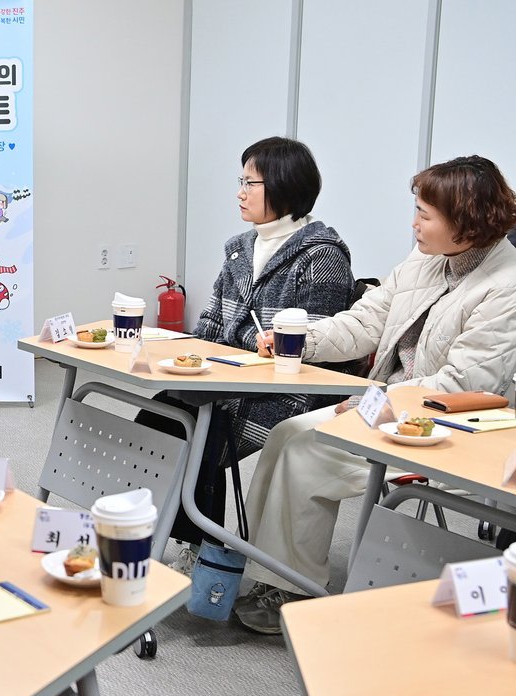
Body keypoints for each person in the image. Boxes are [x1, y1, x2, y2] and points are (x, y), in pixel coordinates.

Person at [234, 155, 516, 634]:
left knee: (305, 452)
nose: (414, 224)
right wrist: (301, 341)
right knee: (285, 435)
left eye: (425, 215)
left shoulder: (505, 285)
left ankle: (293, 588)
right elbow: (366, 321)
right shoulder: (426, 258)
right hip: (388, 410)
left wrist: (377, 402)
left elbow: (464, 384)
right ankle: (274, 571)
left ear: (466, 222)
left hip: (445, 429)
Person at [141, 137, 355, 564]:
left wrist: (236, 356)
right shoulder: (239, 248)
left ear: (284, 186)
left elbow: (313, 351)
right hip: (229, 379)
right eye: (241, 181)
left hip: (285, 392)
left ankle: (203, 550)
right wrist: (183, 358)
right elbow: (210, 324)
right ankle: (181, 539)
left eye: (250, 183)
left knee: (201, 429)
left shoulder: (323, 257)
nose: (240, 193)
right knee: (161, 413)